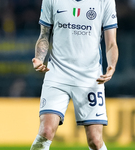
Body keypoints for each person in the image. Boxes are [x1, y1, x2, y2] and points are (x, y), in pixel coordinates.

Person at [31, 0, 118, 149]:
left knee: (95, 141)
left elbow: (111, 43)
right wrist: (39, 58)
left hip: (90, 78)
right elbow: (44, 35)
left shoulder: (105, 1)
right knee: (45, 131)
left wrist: (111, 66)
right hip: (57, 73)